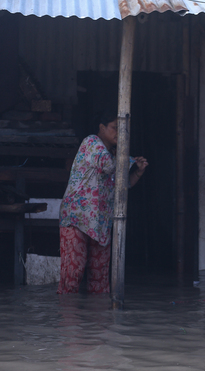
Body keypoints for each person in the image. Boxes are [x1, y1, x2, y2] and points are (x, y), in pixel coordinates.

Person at [57, 111, 148, 294]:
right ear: (102, 128)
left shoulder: (113, 154)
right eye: (115, 128)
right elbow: (109, 166)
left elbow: (124, 185)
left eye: (123, 131)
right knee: (73, 273)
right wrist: (127, 157)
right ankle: (68, 317)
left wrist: (138, 172)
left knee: (100, 279)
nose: (120, 134)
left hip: (100, 223)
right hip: (78, 218)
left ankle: (98, 320)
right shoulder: (92, 143)